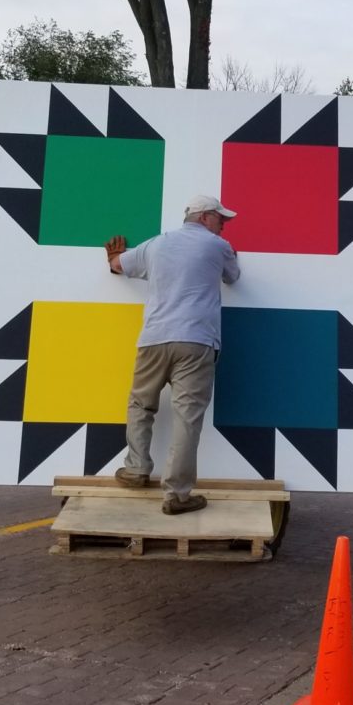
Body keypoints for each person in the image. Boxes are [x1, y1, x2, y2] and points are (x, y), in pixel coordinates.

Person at [104, 194, 240, 515]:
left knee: (140, 403)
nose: (224, 224)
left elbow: (117, 265)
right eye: (221, 218)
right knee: (187, 417)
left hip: (153, 339)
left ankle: (136, 468)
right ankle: (177, 495)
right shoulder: (217, 246)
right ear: (205, 217)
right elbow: (233, 276)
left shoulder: (155, 245)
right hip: (196, 341)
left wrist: (115, 257)